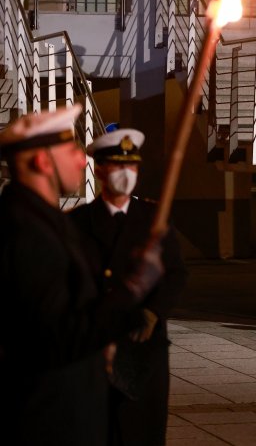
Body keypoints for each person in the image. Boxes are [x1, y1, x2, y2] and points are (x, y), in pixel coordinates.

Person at [0, 105, 163, 445]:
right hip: (49, 418)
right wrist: (131, 292)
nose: (81, 160)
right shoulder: (25, 232)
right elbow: (61, 335)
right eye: (72, 150)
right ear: (43, 162)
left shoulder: (45, 222)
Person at [70, 125, 187, 445]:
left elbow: (175, 273)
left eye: (132, 165)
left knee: (142, 432)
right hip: (97, 350)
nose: (126, 173)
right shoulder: (77, 223)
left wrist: (153, 311)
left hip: (142, 350)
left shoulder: (154, 219)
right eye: (119, 166)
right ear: (100, 170)